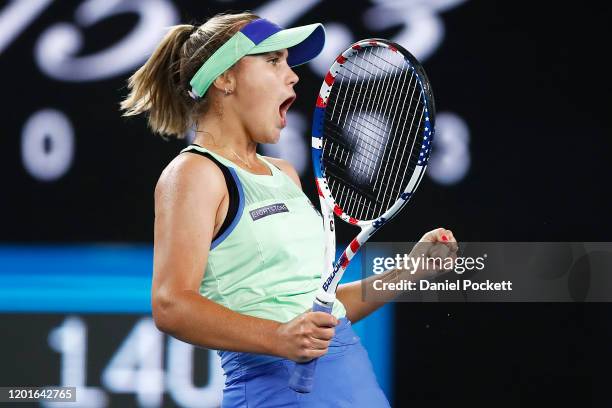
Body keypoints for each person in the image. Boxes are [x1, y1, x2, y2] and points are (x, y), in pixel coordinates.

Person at [120, 11, 458, 407]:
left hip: (356, 389)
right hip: (276, 395)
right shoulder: (195, 173)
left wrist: (406, 273)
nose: (293, 75)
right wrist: (278, 338)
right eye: (272, 61)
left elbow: (319, 310)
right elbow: (170, 304)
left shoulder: (283, 174)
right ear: (225, 78)